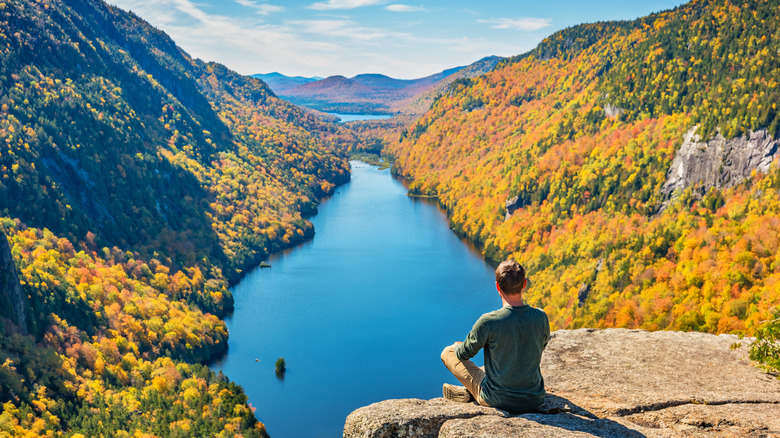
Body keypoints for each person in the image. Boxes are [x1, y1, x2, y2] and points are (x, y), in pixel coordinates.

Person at [440, 259, 550, 413]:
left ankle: (472, 392)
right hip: (534, 400)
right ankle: (471, 392)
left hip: (495, 398)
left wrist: (457, 346)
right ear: (524, 284)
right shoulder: (541, 317)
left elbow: (463, 354)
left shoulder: (489, 321)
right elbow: (541, 346)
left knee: (448, 352)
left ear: (497, 286)